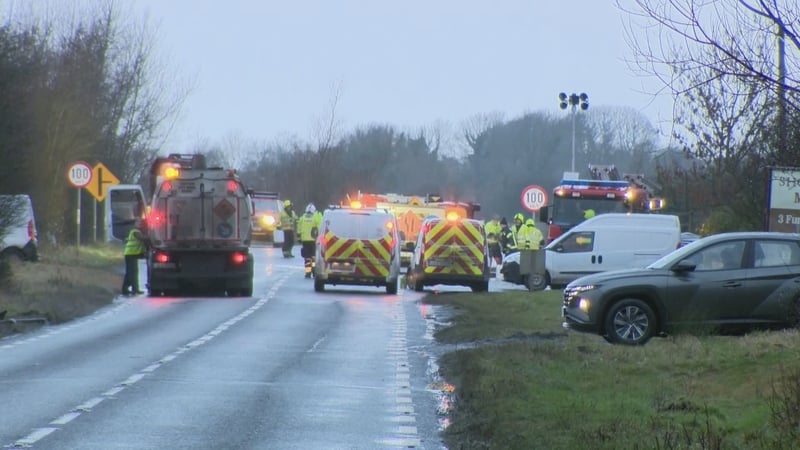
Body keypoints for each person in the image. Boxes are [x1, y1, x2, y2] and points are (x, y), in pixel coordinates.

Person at [122, 218, 148, 296]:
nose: (140, 224)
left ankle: (125, 289)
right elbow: (143, 238)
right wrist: (151, 236)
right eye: (138, 223)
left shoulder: (138, 231)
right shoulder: (135, 232)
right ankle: (135, 289)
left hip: (131, 254)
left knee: (130, 272)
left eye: (141, 223)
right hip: (131, 254)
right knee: (133, 273)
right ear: (135, 224)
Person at [297, 203, 320, 278]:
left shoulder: (302, 217)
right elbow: (319, 228)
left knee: (307, 257)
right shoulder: (315, 217)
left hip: (305, 241)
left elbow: (299, 227)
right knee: (313, 257)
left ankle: (308, 272)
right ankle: (314, 271)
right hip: (313, 240)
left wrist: (299, 237)